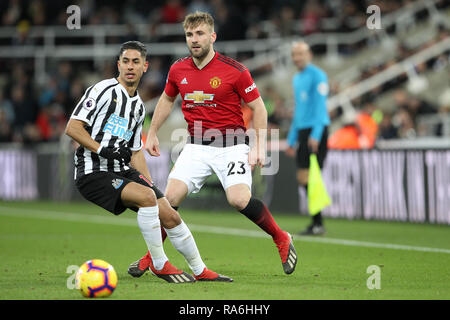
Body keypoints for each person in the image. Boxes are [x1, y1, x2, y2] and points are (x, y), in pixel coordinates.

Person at [129, 12, 297, 276]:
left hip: (232, 145)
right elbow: (166, 100)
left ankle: (280, 237)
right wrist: (151, 133)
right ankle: (154, 257)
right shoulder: (178, 69)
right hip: (196, 146)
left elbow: (259, 108)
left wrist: (259, 146)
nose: (194, 40)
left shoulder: (235, 71)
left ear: (212, 37)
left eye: (199, 34)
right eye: (189, 35)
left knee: (239, 200)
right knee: (168, 199)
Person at [65, 40, 232, 283]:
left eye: (135, 62)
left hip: (122, 170)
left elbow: (135, 153)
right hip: (93, 172)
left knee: (170, 214)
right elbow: (73, 127)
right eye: (125, 61)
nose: (130, 67)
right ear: (118, 65)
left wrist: (151, 187)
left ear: (145, 66)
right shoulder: (102, 90)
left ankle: (200, 270)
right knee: (148, 199)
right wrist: (102, 149)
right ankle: (159, 264)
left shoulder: (138, 107)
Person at [285, 41, 330, 236]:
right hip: (303, 131)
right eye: (294, 54)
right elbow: (298, 110)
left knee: (312, 176)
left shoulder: (318, 76)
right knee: (303, 177)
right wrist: (291, 138)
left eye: (300, 54)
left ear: (309, 54)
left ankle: (318, 222)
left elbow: (321, 106)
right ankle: (316, 221)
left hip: (315, 130)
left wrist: (317, 133)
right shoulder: (297, 78)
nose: (297, 58)